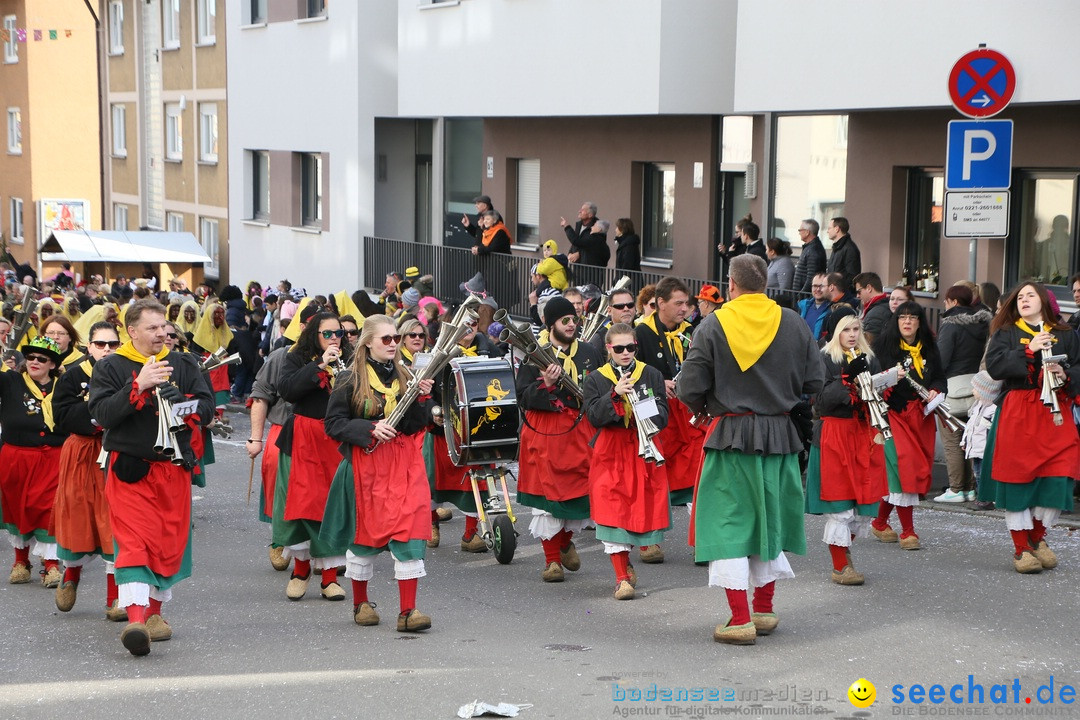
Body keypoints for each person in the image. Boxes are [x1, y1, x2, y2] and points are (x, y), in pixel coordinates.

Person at [678, 254, 824, 645]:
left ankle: (740, 619)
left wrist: (704, 408)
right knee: (768, 521)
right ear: (765, 283)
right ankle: (764, 609)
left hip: (730, 435)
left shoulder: (712, 325)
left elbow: (689, 386)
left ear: (731, 284)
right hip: (780, 436)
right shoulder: (793, 322)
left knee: (727, 524)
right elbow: (815, 380)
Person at [88, 300, 214, 656]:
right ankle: (136, 619)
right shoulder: (111, 366)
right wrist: (138, 386)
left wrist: (182, 402)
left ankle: (154, 615)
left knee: (166, 542)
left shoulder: (185, 362)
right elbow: (102, 415)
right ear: (132, 331)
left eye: (164, 327)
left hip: (172, 468)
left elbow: (205, 409)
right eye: (153, 328)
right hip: (131, 467)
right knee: (133, 542)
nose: (162, 334)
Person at [322, 315, 435, 631]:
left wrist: (424, 400)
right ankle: (361, 604)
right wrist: (369, 428)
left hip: (404, 462)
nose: (393, 344)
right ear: (368, 342)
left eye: (396, 338)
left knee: (411, 531)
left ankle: (408, 612)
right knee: (366, 536)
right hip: (367, 465)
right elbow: (334, 424)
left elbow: (413, 424)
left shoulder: (406, 375)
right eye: (386, 338)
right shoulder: (349, 379)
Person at [981, 282, 1080, 573]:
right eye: (1020, 297)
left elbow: (1079, 366)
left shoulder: (1064, 334)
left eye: (1030, 296)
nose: (1024, 300)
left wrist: (1066, 373)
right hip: (1020, 409)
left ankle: (1037, 537)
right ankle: (1021, 548)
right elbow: (996, 367)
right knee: (1018, 477)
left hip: (1054, 413)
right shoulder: (1007, 332)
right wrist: (1028, 351)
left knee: (1059, 475)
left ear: (1044, 301)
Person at [516, 297, 603, 583]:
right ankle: (551, 561)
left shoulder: (589, 351)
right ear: (551, 323)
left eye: (574, 319)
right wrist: (548, 384)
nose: (571, 324)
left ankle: (564, 542)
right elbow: (523, 396)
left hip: (580, 429)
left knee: (579, 493)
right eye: (565, 320)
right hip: (547, 431)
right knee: (547, 497)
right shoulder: (534, 353)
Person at [583, 322, 669, 600]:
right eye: (618, 348)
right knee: (613, 510)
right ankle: (621, 578)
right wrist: (615, 395)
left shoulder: (651, 374)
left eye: (630, 347)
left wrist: (643, 406)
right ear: (608, 349)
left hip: (643, 448)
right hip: (611, 449)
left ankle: (626, 560)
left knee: (637, 510)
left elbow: (664, 415)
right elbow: (593, 416)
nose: (625, 353)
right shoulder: (596, 378)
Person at [804, 311, 887, 586]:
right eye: (846, 329)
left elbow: (878, 396)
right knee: (840, 504)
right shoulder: (824, 358)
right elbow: (821, 401)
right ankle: (840, 565)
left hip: (863, 435)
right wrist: (846, 381)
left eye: (856, 329)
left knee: (861, 504)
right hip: (835, 434)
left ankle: (843, 554)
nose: (852, 334)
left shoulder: (869, 357)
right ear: (835, 332)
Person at [50, 322, 127, 619]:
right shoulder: (72, 376)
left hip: (116, 449)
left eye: (112, 344)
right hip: (83, 450)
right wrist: (98, 416)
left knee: (111, 519)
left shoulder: (126, 371)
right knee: (78, 515)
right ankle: (71, 574)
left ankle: (114, 598)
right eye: (100, 344)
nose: (106, 349)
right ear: (89, 346)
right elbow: (61, 416)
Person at [274, 312, 350, 600]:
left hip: (335, 438)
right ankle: (301, 568)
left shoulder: (351, 358)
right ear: (314, 335)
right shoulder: (296, 357)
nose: (334, 339)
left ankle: (329, 577)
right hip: (304, 436)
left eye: (338, 333)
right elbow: (287, 390)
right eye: (327, 333)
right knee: (304, 504)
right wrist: (320, 365)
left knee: (332, 506)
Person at [634, 277, 705, 564]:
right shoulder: (641, 333)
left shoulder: (695, 331)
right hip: (655, 411)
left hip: (688, 413)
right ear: (660, 303)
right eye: (678, 303)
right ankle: (649, 540)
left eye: (687, 303)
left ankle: (704, 540)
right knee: (651, 474)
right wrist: (657, 381)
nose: (685, 309)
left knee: (699, 476)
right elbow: (629, 370)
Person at [870, 301, 945, 550]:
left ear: (919, 322)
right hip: (894, 415)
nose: (907, 321)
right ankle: (908, 531)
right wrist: (892, 376)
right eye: (903, 317)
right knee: (904, 467)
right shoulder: (883, 347)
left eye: (913, 317)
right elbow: (872, 383)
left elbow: (940, 378)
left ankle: (880, 522)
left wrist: (936, 391)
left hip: (921, 417)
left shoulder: (930, 348)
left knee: (911, 470)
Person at [0, 336, 66, 588]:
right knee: (17, 508)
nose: (34, 362)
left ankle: (50, 566)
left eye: (42, 359)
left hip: (53, 457)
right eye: (30, 358)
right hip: (16, 457)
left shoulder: (64, 386)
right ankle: (21, 562)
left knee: (49, 509)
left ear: (53, 364)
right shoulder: (10, 381)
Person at [933, 284, 992, 503]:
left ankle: (957, 488)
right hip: (977, 388)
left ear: (954, 302)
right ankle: (970, 487)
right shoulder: (984, 323)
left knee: (952, 439)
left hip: (952, 387)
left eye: (947, 301)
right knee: (971, 438)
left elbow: (942, 358)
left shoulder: (950, 325)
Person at [587, 287, 638, 354]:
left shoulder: (643, 331)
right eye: (619, 306)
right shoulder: (599, 339)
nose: (626, 309)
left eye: (630, 305)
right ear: (609, 310)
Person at [561, 202, 610, 268]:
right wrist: (571, 252)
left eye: (583, 210)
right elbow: (575, 242)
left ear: (590, 215)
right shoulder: (579, 225)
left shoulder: (597, 234)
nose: (579, 211)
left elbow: (582, 243)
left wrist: (567, 226)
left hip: (590, 269)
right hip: (579, 266)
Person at [853, 272, 891, 342]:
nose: (857, 296)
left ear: (869, 288)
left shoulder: (876, 314)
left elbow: (868, 344)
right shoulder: (885, 305)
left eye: (859, 292)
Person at [792, 220, 826, 293]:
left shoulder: (813, 250)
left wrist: (800, 295)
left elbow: (811, 277)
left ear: (807, 232)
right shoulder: (809, 248)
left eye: (800, 230)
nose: (799, 233)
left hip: (805, 298)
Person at [826, 217, 861, 287]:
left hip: (842, 293)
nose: (827, 231)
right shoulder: (837, 247)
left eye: (829, 228)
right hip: (834, 292)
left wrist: (838, 288)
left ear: (837, 229)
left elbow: (852, 276)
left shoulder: (850, 249)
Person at [798, 273, 833, 342]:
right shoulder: (803, 306)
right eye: (815, 286)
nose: (818, 289)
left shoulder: (832, 309)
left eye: (821, 286)